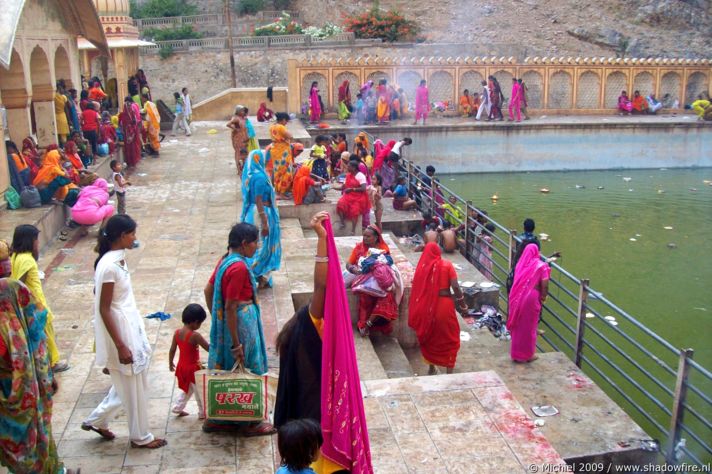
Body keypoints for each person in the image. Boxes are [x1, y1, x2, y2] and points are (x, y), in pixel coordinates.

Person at [274, 212, 372, 472]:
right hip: (319, 415)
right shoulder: (314, 324)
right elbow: (321, 286)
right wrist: (322, 238)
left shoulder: (297, 333)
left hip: (305, 410)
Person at [82, 215, 167, 449]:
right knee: (133, 387)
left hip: (129, 324)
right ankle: (140, 436)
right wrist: (120, 344)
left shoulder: (115, 260)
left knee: (129, 382)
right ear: (121, 236)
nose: (135, 238)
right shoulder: (109, 266)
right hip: (122, 331)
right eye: (132, 233)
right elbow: (104, 307)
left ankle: (97, 419)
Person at [0, 278, 79, 473]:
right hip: (22, 393)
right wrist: (47, 378)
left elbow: (38, 345)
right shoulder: (18, 314)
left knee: (32, 440)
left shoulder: (12, 308)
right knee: (34, 439)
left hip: (22, 394)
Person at [202, 222, 274, 436]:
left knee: (227, 369)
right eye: (255, 242)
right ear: (244, 244)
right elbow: (231, 305)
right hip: (242, 324)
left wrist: (220, 322)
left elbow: (208, 290)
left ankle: (219, 419)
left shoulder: (224, 260)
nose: (257, 246)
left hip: (232, 323)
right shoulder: (239, 267)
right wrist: (236, 342)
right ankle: (249, 423)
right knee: (248, 366)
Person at [9, 225, 68, 373]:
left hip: (31, 303)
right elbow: (19, 283)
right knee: (46, 331)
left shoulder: (15, 256)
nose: (37, 243)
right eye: (36, 240)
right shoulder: (27, 260)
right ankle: (53, 362)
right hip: (36, 303)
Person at [409, 242, 468, 375]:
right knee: (450, 338)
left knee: (430, 337)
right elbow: (456, 287)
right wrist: (463, 305)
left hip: (426, 308)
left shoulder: (422, 268)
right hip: (444, 307)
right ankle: (449, 371)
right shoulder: (447, 265)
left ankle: (431, 367)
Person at [346, 224, 402, 336]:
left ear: (376, 238)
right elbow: (349, 264)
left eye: (368, 236)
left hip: (379, 279)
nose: (365, 238)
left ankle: (369, 324)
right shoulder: (359, 247)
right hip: (362, 277)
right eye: (364, 236)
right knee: (364, 295)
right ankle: (363, 325)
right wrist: (353, 269)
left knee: (386, 296)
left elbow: (386, 267)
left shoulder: (383, 249)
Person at [241, 149, 282, 287]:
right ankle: (254, 276)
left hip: (255, 213)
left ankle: (259, 277)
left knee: (259, 245)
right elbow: (258, 199)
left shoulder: (252, 175)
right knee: (262, 246)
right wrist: (264, 222)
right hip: (260, 213)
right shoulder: (259, 177)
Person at [507, 244, 550, 363]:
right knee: (530, 327)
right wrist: (543, 297)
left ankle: (516, 354)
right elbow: (545, 285)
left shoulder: (520, 265)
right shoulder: (541, 266)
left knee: (518, 326)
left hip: (517, 297)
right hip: (531, 298)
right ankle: (528, 355)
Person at [169, 303, 209, 418]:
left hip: (182, 366)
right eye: (200, 323)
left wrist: (170, 363)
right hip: (193, 369)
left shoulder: (177, 333)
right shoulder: (195, 336)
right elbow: (208, 348)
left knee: (187, 389)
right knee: (199, 392)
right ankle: (202, 413)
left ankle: (177, 408)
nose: (200, 325)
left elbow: (172, 350)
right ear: (195, 322)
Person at [336, 160, 369, 234]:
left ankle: (353, 230)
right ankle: (342, 222)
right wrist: (333, 187)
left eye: (349, 166)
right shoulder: (348, 175)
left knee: (355, 210)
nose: (347, 167)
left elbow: (363, 188)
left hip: (359, 196)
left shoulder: (360, 176)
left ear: (354, 168)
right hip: (348, 195)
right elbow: (343, 186)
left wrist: (352, 189)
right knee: (340, 204)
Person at [271, 112, 295, 198]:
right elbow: (290, 136)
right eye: (286, 121)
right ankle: (282, 192)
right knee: (286, 172)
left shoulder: (272, 126)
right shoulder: (281, 127)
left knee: (278, 171)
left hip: (275, 150)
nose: (286, 123)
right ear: (283, 120)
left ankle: (278, 191)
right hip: (282, 151)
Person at [119, 96, 142, 168]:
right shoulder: (123, 114)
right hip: (128, 132)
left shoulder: (131, 112)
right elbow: (120, 124)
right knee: (129, 148)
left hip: (132, 131)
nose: (128, 108)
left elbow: (135, 122)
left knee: (133, 147)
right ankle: (130, 162)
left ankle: (134, 161)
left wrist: (132, 132)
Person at [227, 105, 248, 174]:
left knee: (244, 153)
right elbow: (228, 124)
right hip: (238, 139)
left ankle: (244, 168)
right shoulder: (236, 118)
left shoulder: (242, 118)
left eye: (243, 111)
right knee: (238, 153)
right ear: (238, 111)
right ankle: (239, 170)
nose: (243, 112)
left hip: (243, 138)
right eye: (241, 111)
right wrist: (235, 129)